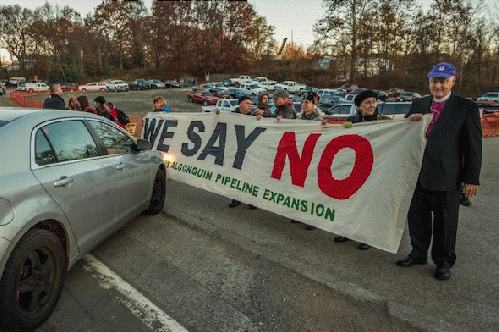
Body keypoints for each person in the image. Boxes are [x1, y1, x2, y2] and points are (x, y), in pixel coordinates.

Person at [396, 62, 482, 281]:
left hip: (447, 177)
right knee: (417, 218)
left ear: (452, 81)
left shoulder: (466, 107)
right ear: (429, 81)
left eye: (443, 81)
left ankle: (444, 262)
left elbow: (473, 147)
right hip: (417, 174)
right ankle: (418, 253)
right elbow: (407, 137)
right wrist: (410, 122)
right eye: (434, 81)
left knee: (445, 222)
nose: (438, 86)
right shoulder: (419, 103)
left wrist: (472, 179)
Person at [332, 90, 380, 250]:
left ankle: (367, 235)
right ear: (359, 107)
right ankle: (347, 231)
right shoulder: (351, 120)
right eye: (367, 102)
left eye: (374, 101)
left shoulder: (383, 121)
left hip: (373, 169)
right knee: (349, 200)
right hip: (352, 168)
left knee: (367, 203)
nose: (372, 105)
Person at [228, 96, 259, 209]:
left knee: (249, 177)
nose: (250, 106)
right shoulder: (231, 115)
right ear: (240, 104)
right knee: (236, 176)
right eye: (247, 103)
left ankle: (251, 200)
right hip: (235, 151)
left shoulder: (254, 117)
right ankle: (236, 198)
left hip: (249, 152)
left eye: (251, 104)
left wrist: (262, 116)